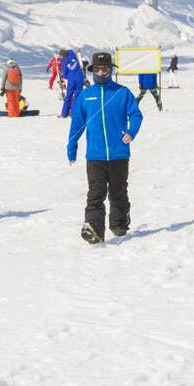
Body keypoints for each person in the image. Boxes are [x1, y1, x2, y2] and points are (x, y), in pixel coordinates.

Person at [67, 51, 143, 243]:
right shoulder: (86, 95)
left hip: (119, 154)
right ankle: (93, 228)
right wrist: (71, 146)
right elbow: (77, 124)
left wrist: (131, 131)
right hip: (95, 155)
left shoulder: (122, 92)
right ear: (92, 71)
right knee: (96, 193)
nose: (101, 73)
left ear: (111, 70)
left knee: (118, 192)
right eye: (98, 69)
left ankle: (119, 223)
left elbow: (136, 114)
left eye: (105, 69)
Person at [58, 49, 85, 118]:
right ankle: (74, 113)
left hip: (71, 80)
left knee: (68, 96)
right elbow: (71, 52)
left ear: (62, 56)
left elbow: (64, 74)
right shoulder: (73, 55)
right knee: (77, 96)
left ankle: (64, 113)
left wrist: (68, 76)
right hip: (80, 77)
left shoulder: (64, 62)